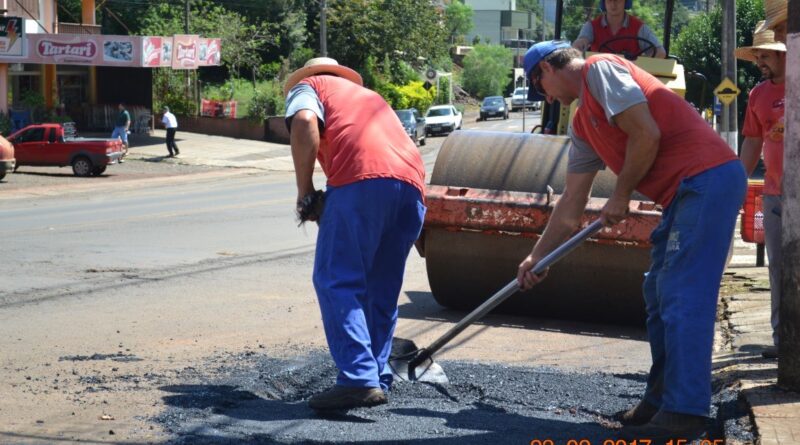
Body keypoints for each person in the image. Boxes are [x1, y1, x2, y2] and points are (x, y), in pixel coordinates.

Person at [518, 41, 745, 440]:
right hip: (683, 193)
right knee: (657, 292)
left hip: (708, 179)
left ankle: (686, 409)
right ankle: (661, 398)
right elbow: (572, 202)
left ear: (545, 72)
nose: (546, 98)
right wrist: (538, 257)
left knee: (681, 291)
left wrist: (621, 195)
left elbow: (646, 132)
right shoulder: (581, 123)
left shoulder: (600, 70)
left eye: (541, 90)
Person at [283, 57, 426, 410]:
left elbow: (303, 121)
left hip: (362, 181)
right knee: (381, 290)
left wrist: (306, 193)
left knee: (336, 280)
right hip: (412, 189)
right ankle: (376, 377)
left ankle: (358, 379)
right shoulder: (368, 96)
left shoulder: (310, 88)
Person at [736, 23, 786, 359]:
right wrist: (735, 182)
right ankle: (784, 341)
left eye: (764, 54)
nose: (759, 62)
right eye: (756, 55)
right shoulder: (757, 95)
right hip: (775, 194)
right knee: (778, 268)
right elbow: (753, 141)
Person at [572, 0, 667, 59]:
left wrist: (638, 65)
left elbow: (660, 52)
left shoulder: (639, 27)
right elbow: (579, 43)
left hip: (630, 78)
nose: (613, 4)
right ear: (604, 3)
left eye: (618, 0)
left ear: (626, 2)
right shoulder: (591, 26)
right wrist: (580, 44)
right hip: (599, 76)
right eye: (609, 0)